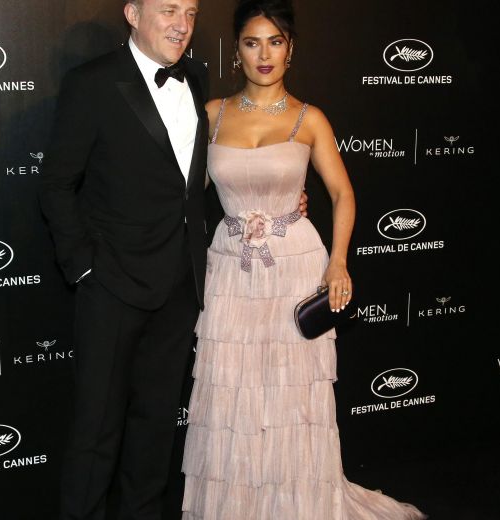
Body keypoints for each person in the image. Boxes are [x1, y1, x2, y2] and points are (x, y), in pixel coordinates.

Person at [181, 0, 428, 518]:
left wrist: (337, 263)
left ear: (290, 49)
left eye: (275, 42)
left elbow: (342, 193)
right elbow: (185, 196)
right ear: (236, 52)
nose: (264, 54)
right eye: (252, 42)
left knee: (291, 395)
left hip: (295, 265)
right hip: (230, 269)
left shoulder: (309, 118)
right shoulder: (212, 114)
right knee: (232, 392)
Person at [39, 1, 209, 518]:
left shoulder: (197, 78)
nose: (182, 24)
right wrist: (84, 267)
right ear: (133, 13)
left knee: (155, 431)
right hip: (112, 286)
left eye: (191, 12)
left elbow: (192, 180)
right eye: (169, 10)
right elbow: (56, 185)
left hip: (179, 286)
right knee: (96, 433)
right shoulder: (91, 83)